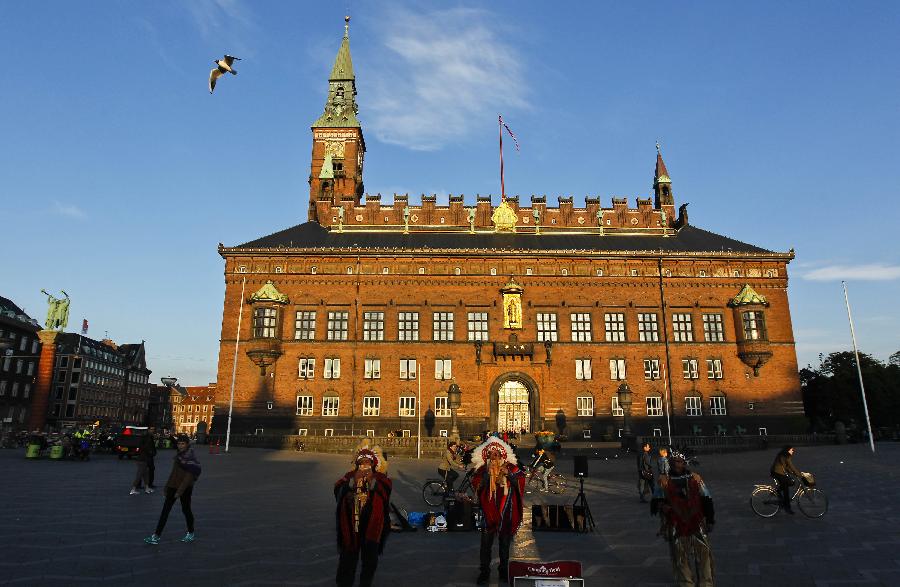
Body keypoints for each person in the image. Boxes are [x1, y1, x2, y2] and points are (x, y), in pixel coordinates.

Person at [651, 450, 715, 587]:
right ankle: (686, 583)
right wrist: (662, 506)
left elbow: (706, 498)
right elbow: (655, 501)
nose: (676, 464)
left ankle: (706, 583)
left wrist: (710, 519)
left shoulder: (695, 478)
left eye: (679, 462)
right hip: (676, 522)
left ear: (684, 463)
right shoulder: (664, 480)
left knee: (703, 553)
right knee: (680, 555)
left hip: (696, 521)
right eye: (673, 462)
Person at [335, 441, 391, 587]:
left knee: (369, 560)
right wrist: (351, 484)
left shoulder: (380, 477)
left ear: (373, 464)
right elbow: (338, 487)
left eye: (367, 463)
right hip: (351, 524)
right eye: (361, 463)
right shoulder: (350, 475)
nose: (364, 466)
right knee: (347, 558)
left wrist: (372, 482)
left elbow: (386, 490)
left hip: (372, 525)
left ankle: (365, 583)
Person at [471, 437, 525, 585]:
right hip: (488, 512)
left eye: (496, 454)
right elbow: (476, 484)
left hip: (505, 511)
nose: (493, 457)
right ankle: (484, 572)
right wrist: (486, 476)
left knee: (504, 544)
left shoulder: (510, 467)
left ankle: (503, 571)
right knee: (485, 544)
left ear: (502, 455)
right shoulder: (483, 469)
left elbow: (521, 480)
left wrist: (509, 474)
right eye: (490, 454)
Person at [144, 434, 201, 544]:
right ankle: (156, 536)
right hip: (173, 486)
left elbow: (188, 477)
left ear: (187, 445)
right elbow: (173, 473)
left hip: (185, 488)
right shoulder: (178, 456)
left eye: (183, 444)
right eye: (179, 443)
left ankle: (191, 532)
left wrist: (179, 492)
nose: (180, 446)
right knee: (165, 511)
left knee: (186, 510)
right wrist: (167, 487)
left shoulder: (190, 458)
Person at [770, 446, 802, 514]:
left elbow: (786, 467)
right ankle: (787, 507)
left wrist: (794, 473)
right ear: (788, 450)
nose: (793, 451)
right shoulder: (786, 456)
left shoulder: (782, 455)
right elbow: (791, 466)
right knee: (786, 488)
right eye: (792, 450)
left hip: (776, 472)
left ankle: (777, 492)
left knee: (787, 484)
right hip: (778, 472)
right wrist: (799, 475)